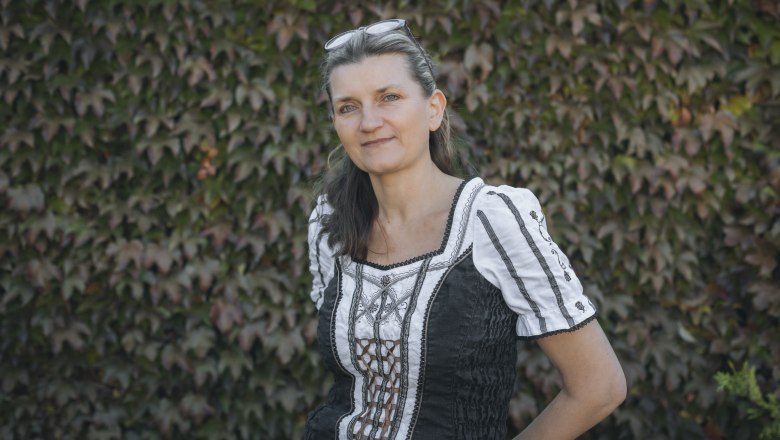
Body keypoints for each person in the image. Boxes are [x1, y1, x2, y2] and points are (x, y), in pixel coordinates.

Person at [305, 18, 626, 440]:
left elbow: (599, 386)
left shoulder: (492, 219)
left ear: (434, 109)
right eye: (349, 106)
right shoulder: (331, 222)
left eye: (390, 97)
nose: (369, 121)